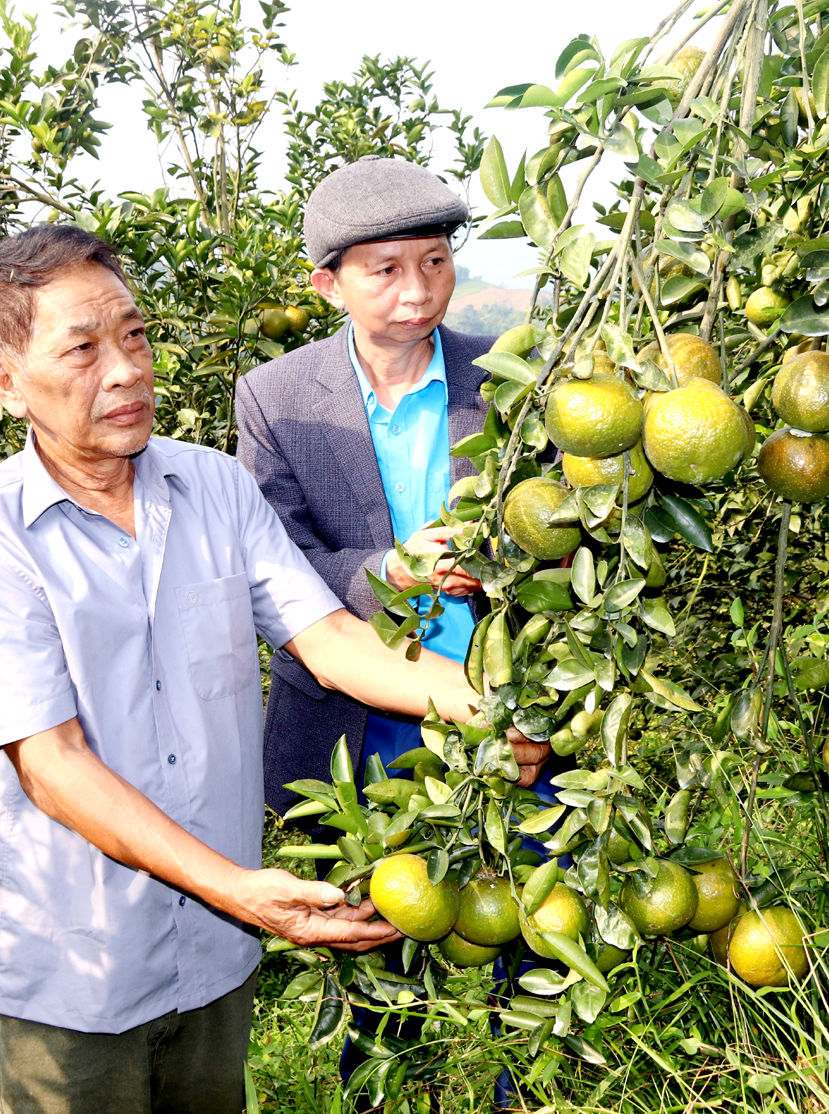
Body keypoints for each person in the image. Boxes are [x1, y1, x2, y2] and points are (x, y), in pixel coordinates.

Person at [0, 224, 523, 1114]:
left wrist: (493, 713)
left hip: (211, 960)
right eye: (81, 350)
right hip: (78, 965)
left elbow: (334, 641)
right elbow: (50, 765)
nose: (124, 370)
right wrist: (239, 891)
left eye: (133, 335)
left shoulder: (214, 487)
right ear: (6, 384)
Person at [233, 156, 556, 1107]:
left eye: (434, 261)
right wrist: (389, 575)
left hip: (508, 712)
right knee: (383, 969)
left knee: (532, 949)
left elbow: (564, 537)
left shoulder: (509, 380)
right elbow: (271, 561)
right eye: (385, 269)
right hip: (362, 724)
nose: (416, 291)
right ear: (327, 282)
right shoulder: (277, 396)